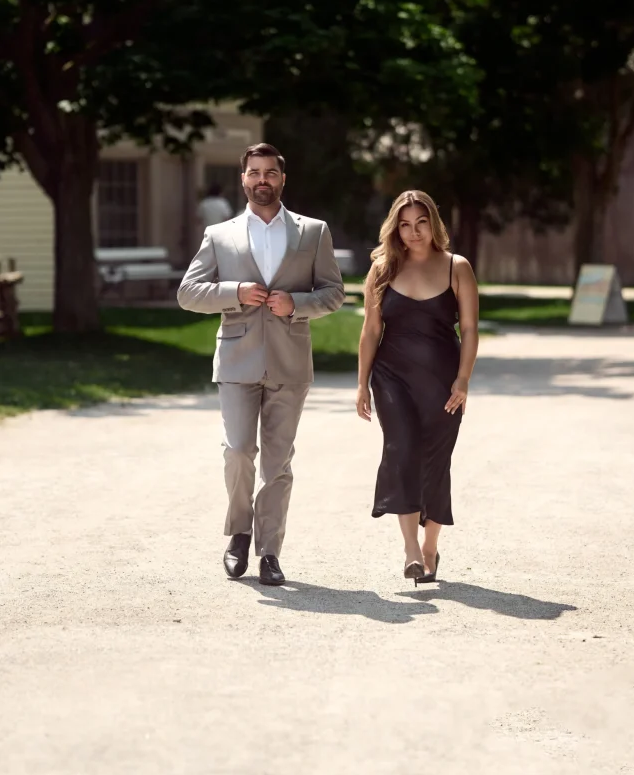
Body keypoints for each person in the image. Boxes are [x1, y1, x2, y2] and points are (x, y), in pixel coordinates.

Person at [178, 143, 344, 586]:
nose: (262, 180)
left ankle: (270, 551)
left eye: (270, 173)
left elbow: (333, 293)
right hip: (236, 360)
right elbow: (188, 292)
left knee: (278, 464)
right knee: (237, 452)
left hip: (291, 364)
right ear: (243, 179)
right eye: (254, 173)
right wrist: (233, 291)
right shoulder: (220, 234)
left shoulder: (313, 232)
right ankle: (238, 532)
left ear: (282, 179)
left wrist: (297, 304)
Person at [356, 190, 479, 585]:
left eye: (421, 223)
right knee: (402, 448)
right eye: (405, 225)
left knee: (434, 462)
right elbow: (371, 330)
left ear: (433, 224)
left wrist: (463, 379)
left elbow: (471, 329)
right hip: (391, 376)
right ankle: (410, 548)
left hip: (443, 381)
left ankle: (430, 548)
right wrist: (362, 384)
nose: (413, 232)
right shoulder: (382, 269)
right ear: (396, 228)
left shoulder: (457, 267)